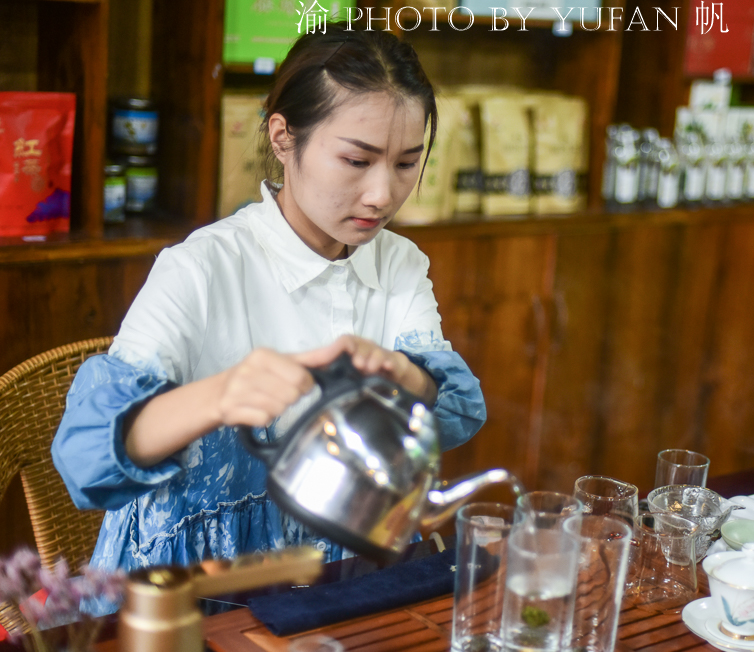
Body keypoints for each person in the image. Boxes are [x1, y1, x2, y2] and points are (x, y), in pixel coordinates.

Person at [51, 26, 486, 588]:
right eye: (357, 160)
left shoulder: (399, 265)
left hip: (334, 577)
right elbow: (85, 458)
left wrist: (408, 378)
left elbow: (454, 416)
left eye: (406, 164)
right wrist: (221, 395)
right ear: (283, 138)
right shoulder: (202, 268)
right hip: (188, 589)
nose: (382, 195)